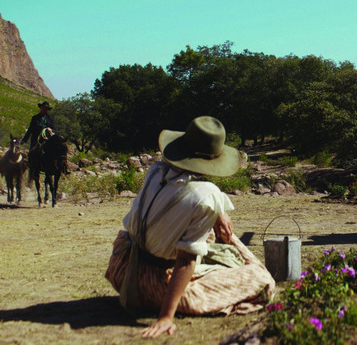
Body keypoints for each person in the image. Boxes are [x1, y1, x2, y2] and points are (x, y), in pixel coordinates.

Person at [105, 116, 275, 338]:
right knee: (264, 282)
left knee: (209, 241)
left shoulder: (156, 171)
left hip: (123, 268)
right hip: (152, 287)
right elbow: (186, 259)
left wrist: (219, 211)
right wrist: (166, 316)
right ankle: (173, 306)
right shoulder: (206, 196)